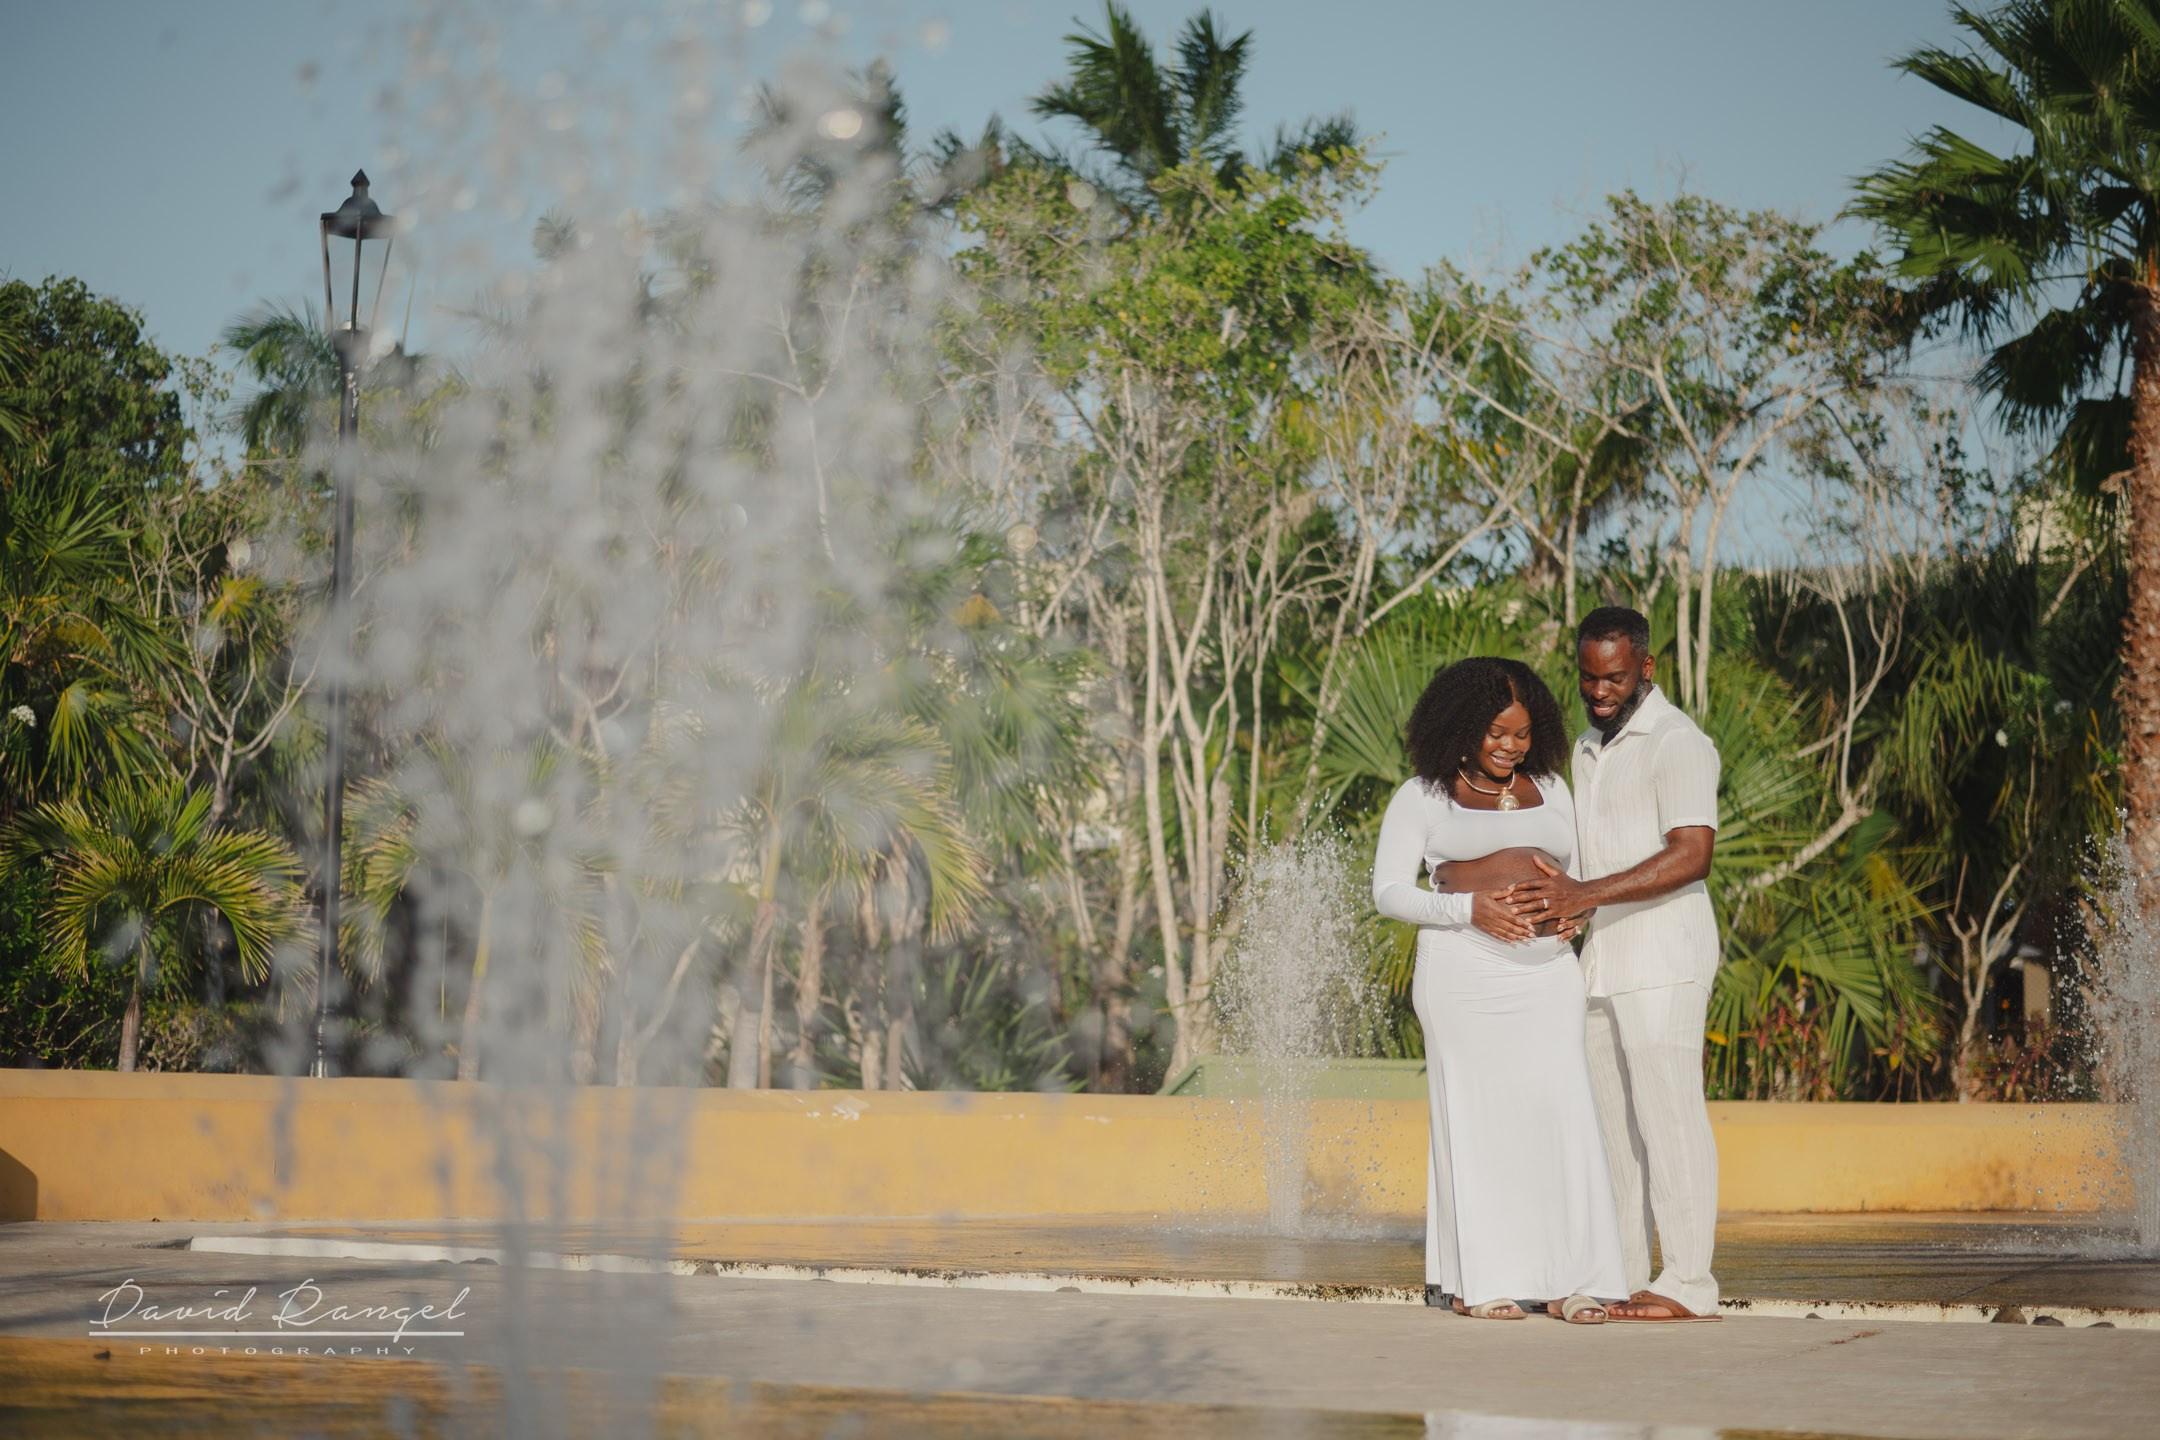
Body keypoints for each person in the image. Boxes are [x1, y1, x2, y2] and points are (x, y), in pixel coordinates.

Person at [1370, 656, 1627, 1324]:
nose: (1510, 746)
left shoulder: (1553, 787)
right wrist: (1468, 911)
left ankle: (1574, 1281)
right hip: (1464, 974)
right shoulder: (1421, 796)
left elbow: (1586, 872)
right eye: (1496, 733)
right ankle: (1484, 1282)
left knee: (1561, 1116)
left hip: (1548, 974)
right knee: (1478, 1123)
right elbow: (1389, 891)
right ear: (1462, 728)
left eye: (1521, 733)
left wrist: (1580, 908)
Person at [1510, 606, 1723, 1323]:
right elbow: (1590, 855)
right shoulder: (1585, 748)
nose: (1600, 691)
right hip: (1601, 961)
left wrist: (1585, 893)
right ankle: (1627, 1273)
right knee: (1615, 1132)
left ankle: (1689, 1283)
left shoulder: (1678, 742)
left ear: (1647, 669)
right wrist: (1567, 907)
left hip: (1665, 956)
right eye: (1589, 678)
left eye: (1616, 678)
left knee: (1671, 1120)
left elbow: (1693, 852)